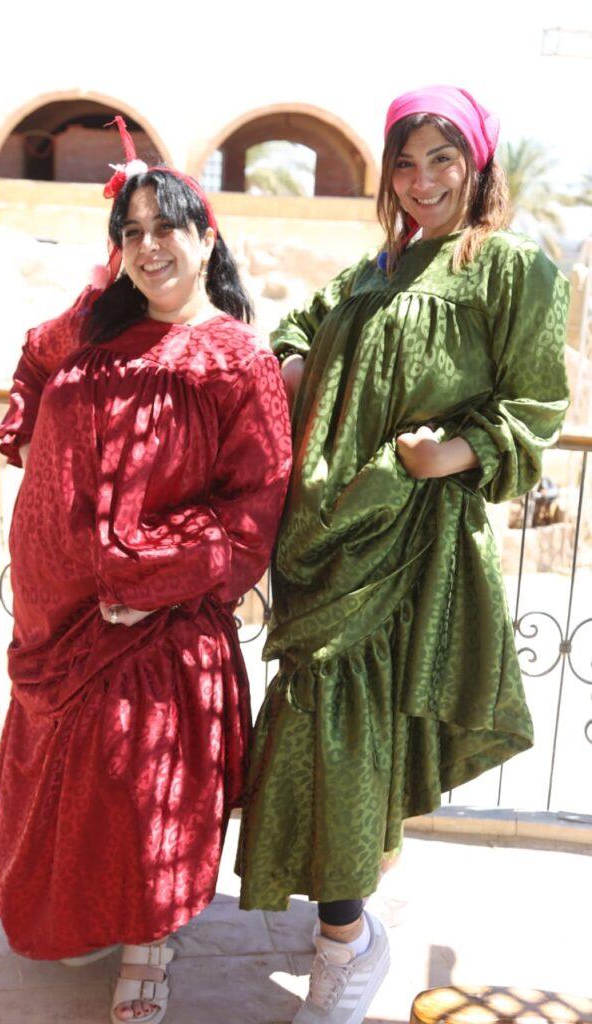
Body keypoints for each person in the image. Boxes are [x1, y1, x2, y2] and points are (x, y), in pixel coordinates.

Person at [236, 85, 570, 1024]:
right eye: (406, 163)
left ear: (478, 166)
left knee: (341, 730)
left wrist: (453, 453)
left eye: (443, 160)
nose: (423, 181)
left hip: (412, 542)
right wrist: (293, 360)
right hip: (322, 533)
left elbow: (538, 403)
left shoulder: (510, 270)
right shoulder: (373, 271)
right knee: (329, 730)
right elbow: (301, 326)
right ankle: (348, 919)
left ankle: (344, 943)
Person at [0, 119, 292, 1024]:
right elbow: (34, 358)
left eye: (167, 227)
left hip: (156, 619)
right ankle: (95, 915)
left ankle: (149, 945)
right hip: (57, 619)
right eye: (133, 231)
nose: (150, 246)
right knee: (70, 786)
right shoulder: (95, 328)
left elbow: (253, 509)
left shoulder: (237, 360)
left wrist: (147, 582)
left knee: (138, 785)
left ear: (207, 239)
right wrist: (32, 432)